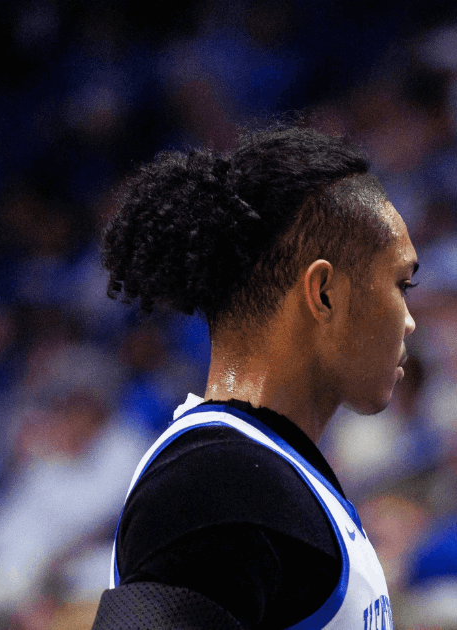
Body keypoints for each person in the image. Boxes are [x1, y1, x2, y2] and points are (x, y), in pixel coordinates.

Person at [92, 125, 416, 629]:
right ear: (325, 293)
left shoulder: (254, 473)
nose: (409, 320)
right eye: (402, 284)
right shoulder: (215, 485)